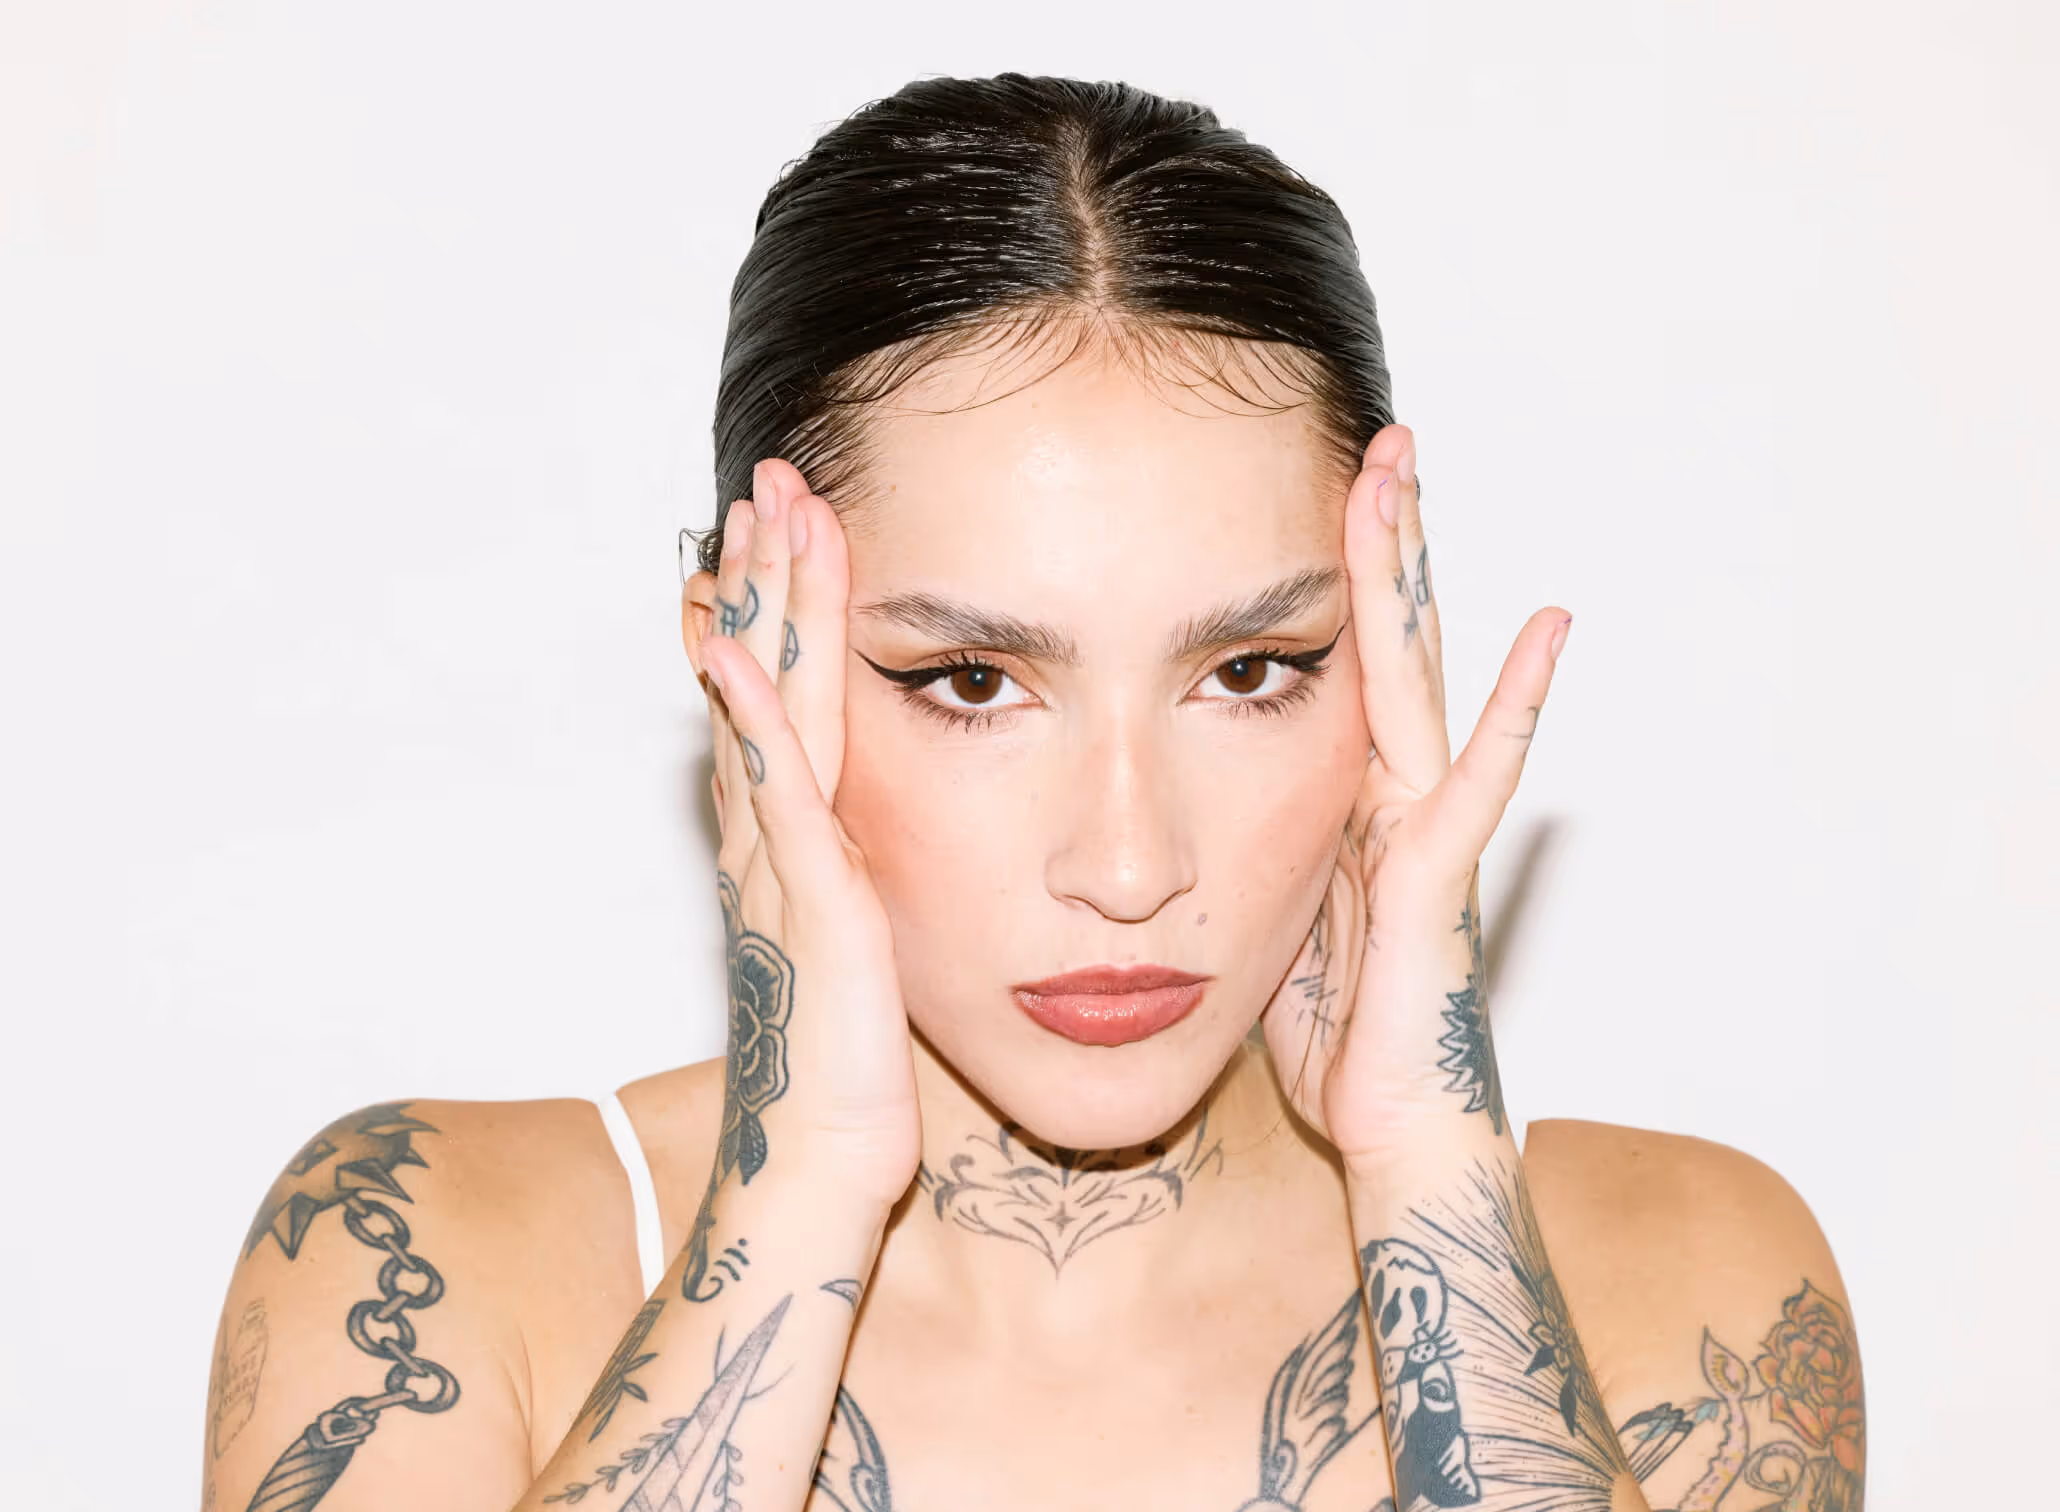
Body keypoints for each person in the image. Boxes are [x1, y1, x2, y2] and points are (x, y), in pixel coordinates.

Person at [201, 74, 1865, 1512]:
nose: (1129, 863)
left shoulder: (1679, 1275)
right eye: (975, 683)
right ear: (745, 662)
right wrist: (800, 1187)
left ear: (1385, 659)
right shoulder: (425, 1266)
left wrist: (1430, 1161)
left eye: (1251, 670)